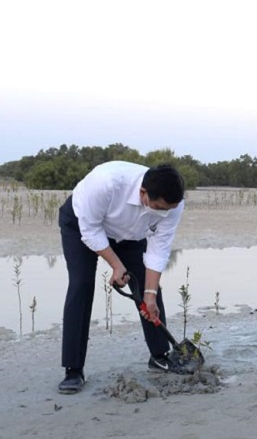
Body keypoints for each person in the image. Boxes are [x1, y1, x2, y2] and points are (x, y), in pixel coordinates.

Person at [57, 161, 186, 394]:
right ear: (143, 193)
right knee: (81, 286)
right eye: (159, 208)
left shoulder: (173, 205)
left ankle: (159, 355)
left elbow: (159, 249)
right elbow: (90, 231)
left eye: (168, 209)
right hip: (82, 227)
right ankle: (73, 369)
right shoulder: (106, 183)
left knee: (150, 292)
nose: (164, 213)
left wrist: (150, 294)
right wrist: (116, 265)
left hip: (130, 236)